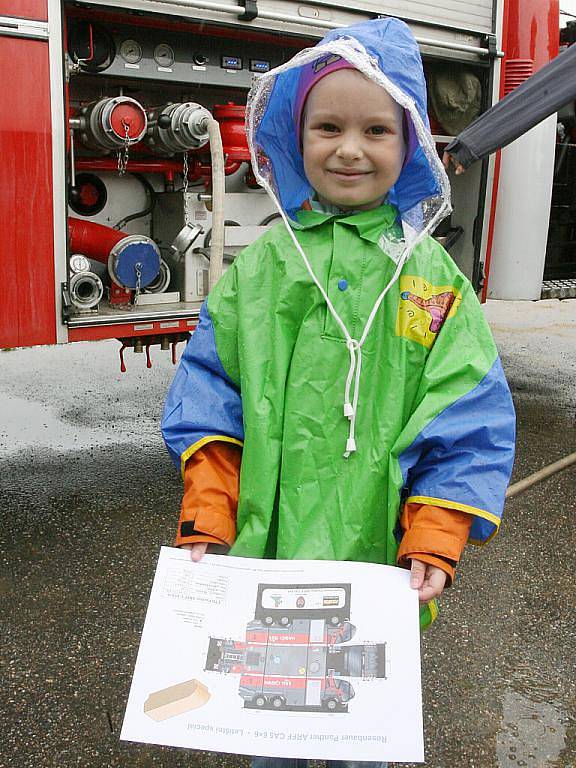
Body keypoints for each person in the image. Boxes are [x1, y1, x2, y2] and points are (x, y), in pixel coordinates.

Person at [161, 17, 516, 768]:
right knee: (273, 727)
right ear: (294, 138)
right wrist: (209, 510)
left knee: (363, 725)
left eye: (376, 130)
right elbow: (211, 396)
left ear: (410, 141)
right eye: (327, 126)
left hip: (377, 567)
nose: (350, 148)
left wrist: (437, 530)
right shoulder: (264, 271)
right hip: (272, 559)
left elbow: (467, 415)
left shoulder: (430, 281)